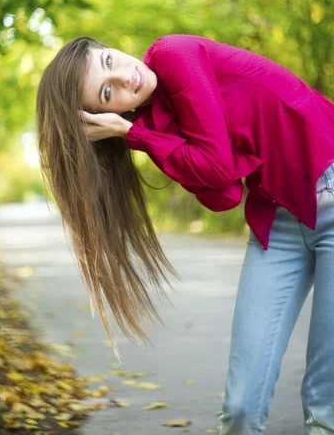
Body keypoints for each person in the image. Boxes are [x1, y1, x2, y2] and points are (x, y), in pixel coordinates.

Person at [36, 33, 334, 434]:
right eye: (109, 92)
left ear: (109, 46)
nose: (127, 78)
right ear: (103, 116)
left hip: (328, 178)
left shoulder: (173, 54)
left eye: (109, 61)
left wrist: (132, 135)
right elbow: (225, 194)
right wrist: (144, 135)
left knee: (324, 404)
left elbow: (214, 170)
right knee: (241, 408)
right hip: (278, 216)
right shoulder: (153, 123)